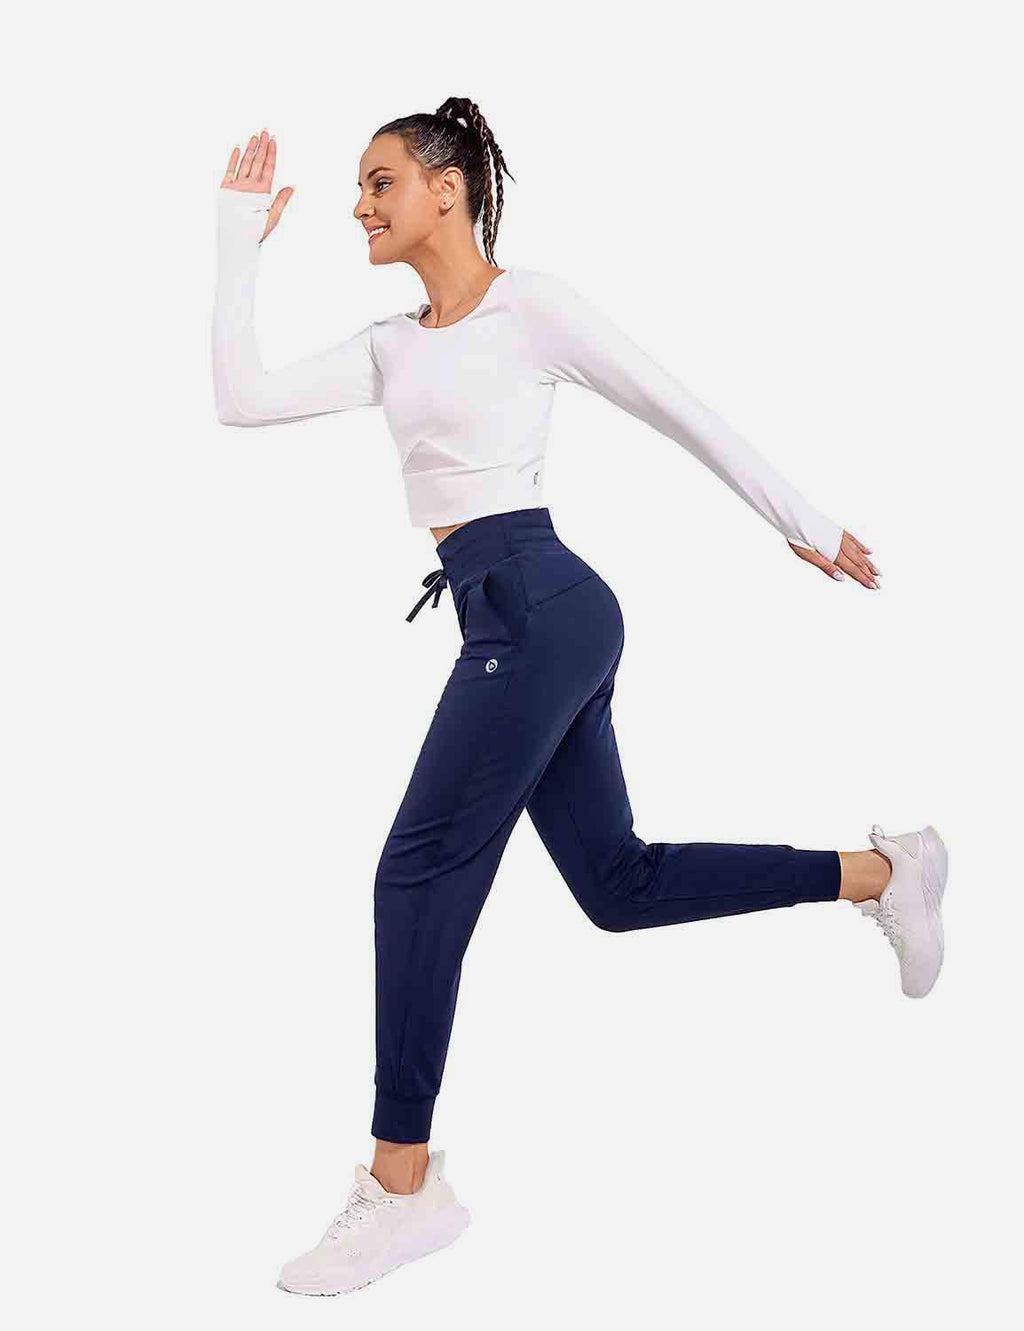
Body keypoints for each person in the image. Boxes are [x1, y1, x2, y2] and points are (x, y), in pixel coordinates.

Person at [211, 99, 949, 1297]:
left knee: (414, 871)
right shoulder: (391, 345)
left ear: (446, 188)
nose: (358, 204)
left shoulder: (530, 307)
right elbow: (239, 396)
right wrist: (236, 240)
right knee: (615, 885)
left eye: (379, 181)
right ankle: (886, 869)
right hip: (509, 617)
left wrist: (803, 521)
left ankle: (403, 1186)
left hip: (541, 610)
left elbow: (676, 405)